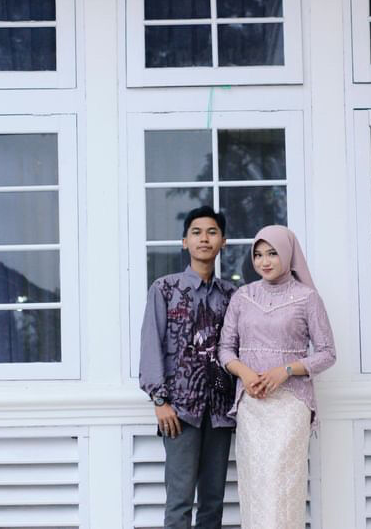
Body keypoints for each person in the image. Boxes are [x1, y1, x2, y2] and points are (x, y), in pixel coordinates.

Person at [218, 225, 336, 529]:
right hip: (252, 405)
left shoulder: (307, 298)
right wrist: (245, 373)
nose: (264, 261)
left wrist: (285, 371)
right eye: (258, 255)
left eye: (272, 253)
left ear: (287, 254)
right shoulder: (243, 297)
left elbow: (327, 353)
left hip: (291, 405)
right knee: (255, 484)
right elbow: (225, 349)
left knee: (283, 486)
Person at [139, 206, 237, 529]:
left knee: (213, 503)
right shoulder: (165, 289)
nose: (204, 239)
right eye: (196, 232)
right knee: (179, 501)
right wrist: (160, 401)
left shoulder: (231, 295)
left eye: (212, 232)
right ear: (185, 242)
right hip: (179, 411)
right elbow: (151, 346)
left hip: (220, 411)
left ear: (223, 241)